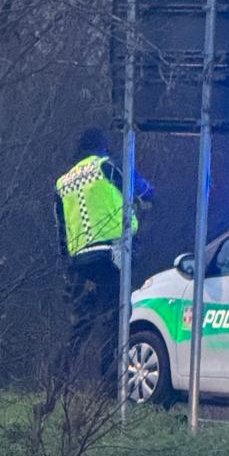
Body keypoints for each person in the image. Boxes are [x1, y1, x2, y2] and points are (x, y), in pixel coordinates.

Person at [54, 127, 153, 375]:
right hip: (114, 253)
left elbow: (61, 233)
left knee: (78, 326)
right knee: (116, 319)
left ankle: (56, 383)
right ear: (103, 146)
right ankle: (108, 387)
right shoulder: (108, 166)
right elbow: (145, 191)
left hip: (79, 263)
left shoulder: (63, 183)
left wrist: (69, 267)